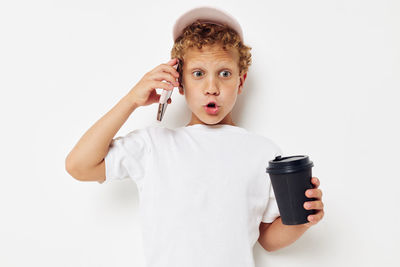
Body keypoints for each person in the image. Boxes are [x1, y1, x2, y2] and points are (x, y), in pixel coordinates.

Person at [65, 6, 325, 267]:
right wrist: (131, 100)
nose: (212, 88)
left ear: (241, 81)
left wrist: (305, 219)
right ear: (179, 83)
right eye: (198, 74)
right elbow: (79, 166)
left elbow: (268, 238)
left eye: (224, 74)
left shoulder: (263, 153)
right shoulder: (154, 145)